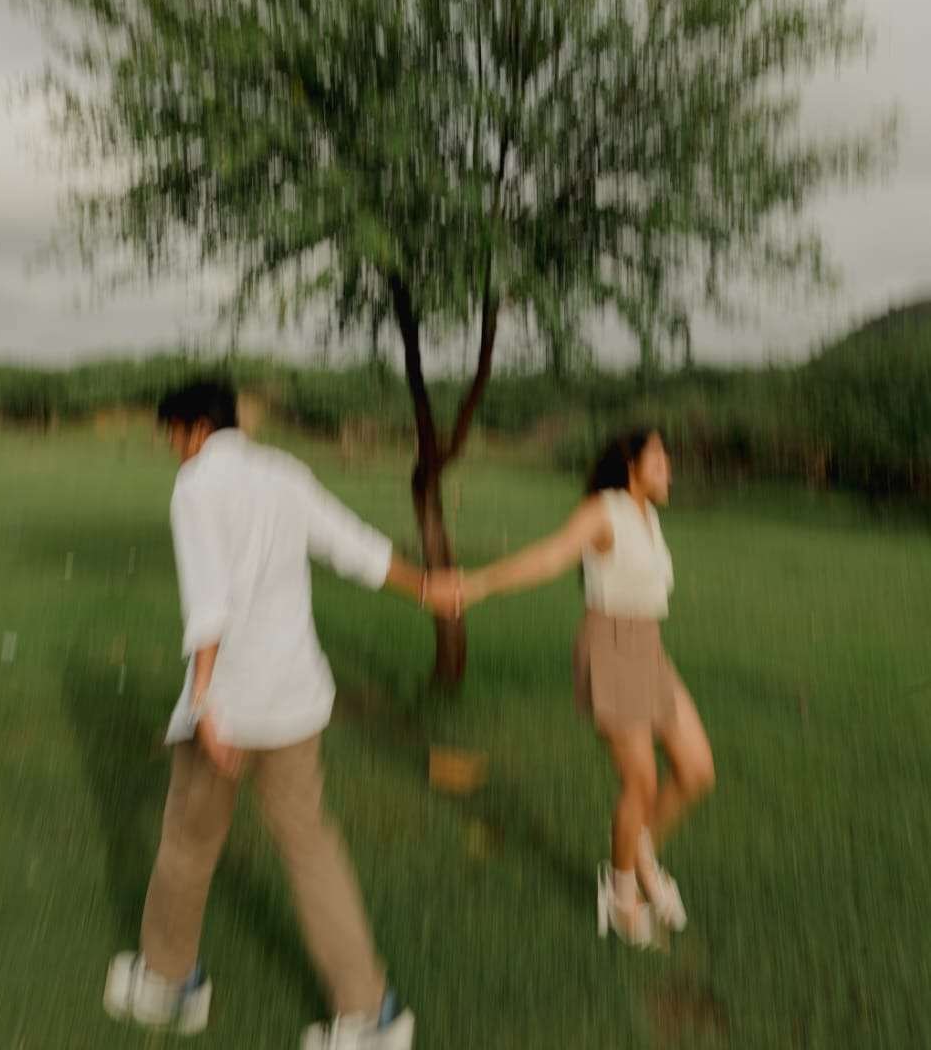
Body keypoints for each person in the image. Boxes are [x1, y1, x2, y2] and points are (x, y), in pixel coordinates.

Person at [104, 378, 444, 1047]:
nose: (173, 450)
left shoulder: (196, 485)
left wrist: (202, 704)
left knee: (187, 845)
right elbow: (354, 546)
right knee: (312, 850)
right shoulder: (284, 472)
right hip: (296, 702)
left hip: (230, 709)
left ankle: (169, 986)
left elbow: (208, 603)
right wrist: (427, 588)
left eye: (172, 436)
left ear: (194, 429)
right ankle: (370, 1018)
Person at [427, 428, 715, 948]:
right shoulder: (603, 511)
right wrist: (478, 584)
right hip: (611, 647)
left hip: (650, 647)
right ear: (630, 464)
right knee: (642, 784)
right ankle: (620, 891)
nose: (668, 467)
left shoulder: (649, 515)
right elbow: (549, 557)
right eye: (658, 458)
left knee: (696, 771)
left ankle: (640, 851)